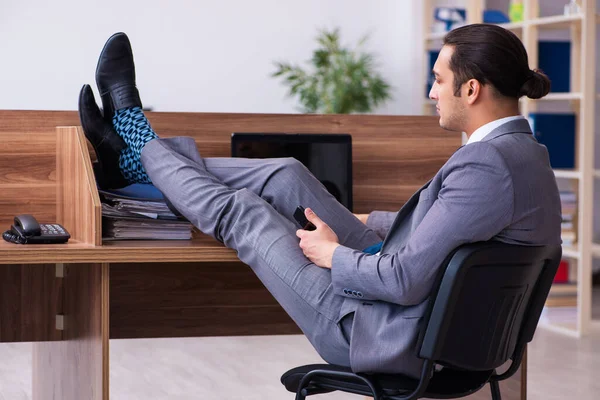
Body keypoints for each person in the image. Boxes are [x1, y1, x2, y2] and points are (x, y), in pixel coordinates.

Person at [78, 25, 561, 378]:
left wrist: (333, 255)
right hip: (412, 310)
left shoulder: (484, 166)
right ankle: (139, 161)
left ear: (471, 89)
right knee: (286, 172)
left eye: (438, 79)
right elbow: (454, 224)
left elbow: (404, 280)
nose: (431, 91)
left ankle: (136, 136)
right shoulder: (524, 154)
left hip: (376, 330)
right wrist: (364, 218)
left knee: (244, 212)